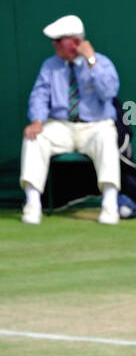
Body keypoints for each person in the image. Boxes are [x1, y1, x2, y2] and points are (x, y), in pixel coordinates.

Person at [20, 14, 121, 227]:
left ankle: (110, 205)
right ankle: (32, 204)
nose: (54, 44)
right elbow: (39, 95)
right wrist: (37, 120)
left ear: (74, 42)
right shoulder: (50, 66)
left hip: (95, 124)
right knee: (34, 137)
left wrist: (91, 62)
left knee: (107, 136)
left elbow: (109, 92)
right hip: (61, 126)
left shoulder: (101, 63)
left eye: (58, 40)